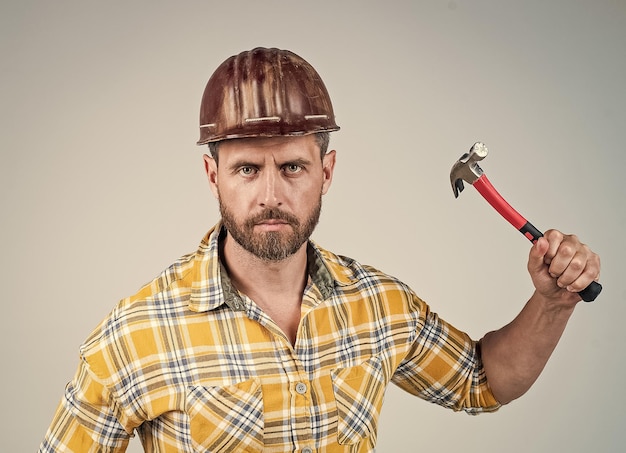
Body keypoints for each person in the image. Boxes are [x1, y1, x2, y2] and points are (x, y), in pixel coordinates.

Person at [39, 47, 601, 453]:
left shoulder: (378, 304)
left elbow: (482, 381)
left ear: (326, 171)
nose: (271, 194)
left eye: (291, 167)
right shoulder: (135, 335)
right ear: (213, 176)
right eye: (246, 169)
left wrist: (552, 303)